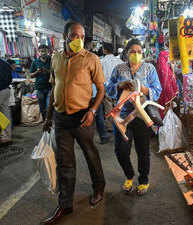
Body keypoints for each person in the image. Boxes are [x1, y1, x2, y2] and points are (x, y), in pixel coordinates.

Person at [41, 21, 106, 224]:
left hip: (82, 117)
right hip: (61, 119)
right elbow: (54, 89)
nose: (78, 40)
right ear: (65, 36)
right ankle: (65, 204)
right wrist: (49, 116)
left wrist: (93, 111)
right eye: (74, 35)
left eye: (81, 36)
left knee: (90, 155)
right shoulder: (56, 58)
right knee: (64, 163)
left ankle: (99, 188)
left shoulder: (91, 59)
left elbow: (101, 89)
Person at [106, 39, 162, 195]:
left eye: (139, 52)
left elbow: (157, 90)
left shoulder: (149, 68)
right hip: (122, 117)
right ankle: (129, 175)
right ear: (126, 52)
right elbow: (109, 88)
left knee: (143, 151)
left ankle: (143, 180)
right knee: (121, 151)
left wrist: (143, 89)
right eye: (132, 51)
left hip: (141, 116)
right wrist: (119, 86)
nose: (136, 54)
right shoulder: (119, 69)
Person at [0, 46, 13, 145]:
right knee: (5, 114)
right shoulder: (5, 63)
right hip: (6, 91)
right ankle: (7, 137)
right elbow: (10, 78)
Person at [155, 43, 178, 118]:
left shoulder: (162, 56)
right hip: (166, 87)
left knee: (165, 108)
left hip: (164, 87)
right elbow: (165, 73)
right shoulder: (164, 56)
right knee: (166, 108)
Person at [30, 45, 51, 119]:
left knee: (49, 106)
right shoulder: (35, 62)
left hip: (50, 86)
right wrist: (37, 72)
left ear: (48, 51)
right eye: (41, 51)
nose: (43, 53)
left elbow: (56, 72)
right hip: (39, 87)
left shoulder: (51, 60)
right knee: (42, 106)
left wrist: (47, 71)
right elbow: (31, 75)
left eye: (45, 51)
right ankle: (45, 120)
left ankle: (49, 120)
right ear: (38, 52)